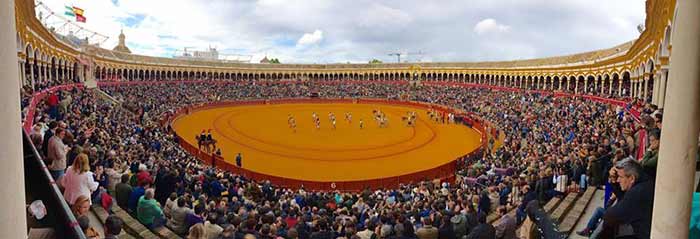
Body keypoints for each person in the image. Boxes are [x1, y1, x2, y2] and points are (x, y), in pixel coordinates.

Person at [600, 160, 655, 239]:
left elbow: (609, 216)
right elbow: (623, 198)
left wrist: (609, 204)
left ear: (632, 178)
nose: (618, 180)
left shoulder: (637, 192)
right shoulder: (645, 181)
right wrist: (613, 180)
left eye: (620, 177)